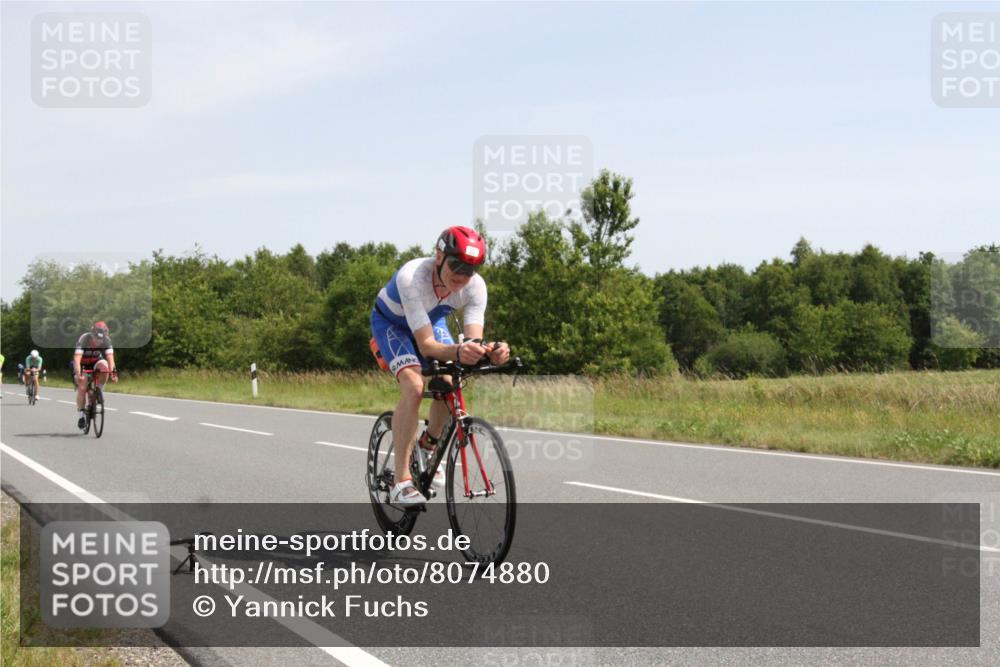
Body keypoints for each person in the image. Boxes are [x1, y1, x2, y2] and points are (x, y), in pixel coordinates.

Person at [369, 226, 509, 506]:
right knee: (414, 386)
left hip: (431, 324)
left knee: (449, 383)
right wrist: (460, 350)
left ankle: (427, 446)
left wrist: (490, 351)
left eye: (471, 269)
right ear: (439, 256)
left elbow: (472, 340)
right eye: (456, 265)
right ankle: (401, 480)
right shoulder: (413, 278)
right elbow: (427, 347)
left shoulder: (475, 287)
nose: (462, 275)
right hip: (393, 326)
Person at [73, 321, 117, 429]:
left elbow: (110, 359)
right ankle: (81, 415)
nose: (98, 341)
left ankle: (99, 391)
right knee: (82, 387)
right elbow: (77, 359)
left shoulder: (107, 340)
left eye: (101, 339)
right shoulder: (84, 339)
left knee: (105, 368)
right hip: (82, 364)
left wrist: (113, 372)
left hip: (96, 361)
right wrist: (79, 373)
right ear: (92, 334)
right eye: (96, 338)